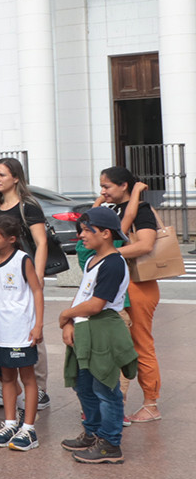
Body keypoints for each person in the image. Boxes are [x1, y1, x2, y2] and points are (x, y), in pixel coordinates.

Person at [59, 207, 136, 464]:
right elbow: (83, 294)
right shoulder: (93, 260)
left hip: (102, 328)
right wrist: (69, 321)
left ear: (105, 233)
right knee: (84, 385)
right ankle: (92, 433)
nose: (81, 235)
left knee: (105, 387)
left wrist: (65, 314)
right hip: (85, 327)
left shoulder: (114, 262)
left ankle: (111, 443)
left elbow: (96, 304)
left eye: (86, 230)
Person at [0, 157, 52, 413]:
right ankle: (6, 386)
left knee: (32, 331)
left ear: (16, 177)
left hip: (25, 272)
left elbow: (41, 242)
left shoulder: (29, 207)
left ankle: (40, 388)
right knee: (5, 327)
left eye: (2, 174)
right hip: (1, 277)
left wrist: (38, 275)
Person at [97, 166, 162, 424]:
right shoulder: (111, 210)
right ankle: (116, 401)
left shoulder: (141, 211)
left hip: (138, 285)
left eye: (106, 187)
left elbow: (146, 245)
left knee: (140, 343)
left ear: (124, 185)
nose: (102, 191)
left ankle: (151, 403)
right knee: (118, 346)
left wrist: (109, 254)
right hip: (116, 287)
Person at [0, 215, 45, 451]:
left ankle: (29, 429)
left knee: (27, 378)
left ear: (11, 239)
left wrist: (38, 324)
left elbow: (37, 292)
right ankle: (10, 423)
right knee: (6, 377)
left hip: (21, 329)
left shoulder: (22, 260)